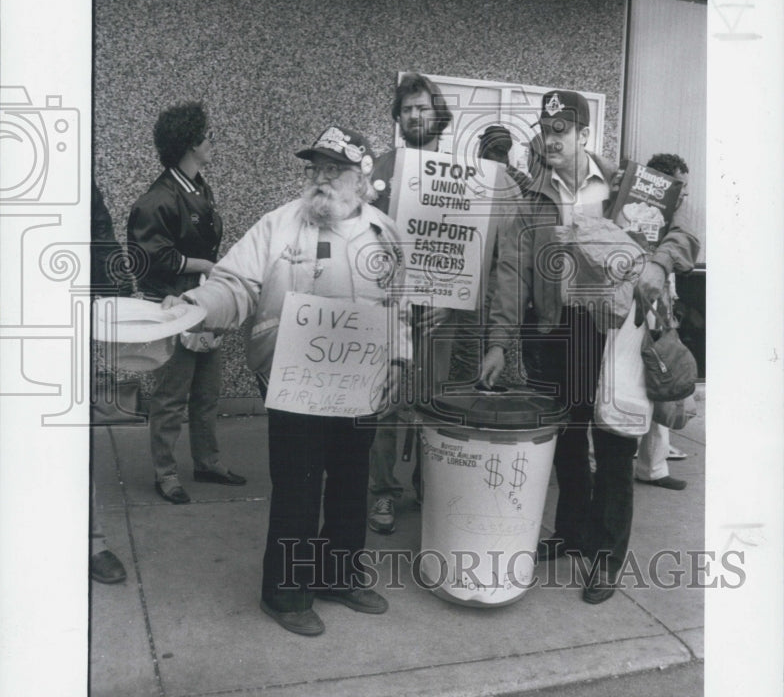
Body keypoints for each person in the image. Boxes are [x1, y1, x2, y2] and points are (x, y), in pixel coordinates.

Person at [163, 126, 410, 637]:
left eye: (333, 169)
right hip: (291, 381)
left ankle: (338, 575)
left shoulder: (385, 233)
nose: (320, 178)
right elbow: (234, 283)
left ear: (361, 179)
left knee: (349, 483)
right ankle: (285, 592)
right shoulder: (277, 225)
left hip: (359, 384)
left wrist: (401, 362)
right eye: (314, 168)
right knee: (297, 487)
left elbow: (401, 308)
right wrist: (194, 305)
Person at [480, 90, 700, 604]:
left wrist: (658, 263)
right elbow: (511, 274)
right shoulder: (532, 195)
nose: (549, 138)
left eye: (560, 130)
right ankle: (572, 532)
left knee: (617, 446)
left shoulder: (629, 185)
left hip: (617, 333)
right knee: (569, 441)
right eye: (544, 128)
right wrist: (498, 343)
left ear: (583, 135)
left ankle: (607, 556)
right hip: (558, 330)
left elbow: (686, 238)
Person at [127, 103, 246, 505]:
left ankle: (207, 461)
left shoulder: (200, 187)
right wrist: (207, 265)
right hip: (175, 304)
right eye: (208, 136)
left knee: (207, 391)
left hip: (204, 301)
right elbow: (150, 257)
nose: (213, 142)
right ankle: (166, 472)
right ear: (189, 144)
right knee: (171, 395)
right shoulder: (157, 198)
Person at [367, 73, 464, 534]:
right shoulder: (382, 169)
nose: (415, 115)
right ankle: (382, 492)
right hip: (390, 307)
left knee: (432, 403)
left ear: (436, 113)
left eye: (423, 107)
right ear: (398, 117)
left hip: (439, 312)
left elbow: (471, 247)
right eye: (407, 109)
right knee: (385, 403)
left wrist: (454, 301)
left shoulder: (462, 175)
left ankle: (432, 485)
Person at [635, 153, 699, 491]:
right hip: (632, 306)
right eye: (680, 188)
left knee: (662, 381)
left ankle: (654, 467)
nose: (685, 196)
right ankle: (646, 465)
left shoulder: (673, 217)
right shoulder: (632, 207)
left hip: (658, 306)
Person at [90, 180, 129, 584]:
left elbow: (98, 231)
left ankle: (90, 540)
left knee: (67, 436)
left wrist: (113, 298)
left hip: (51, 314)